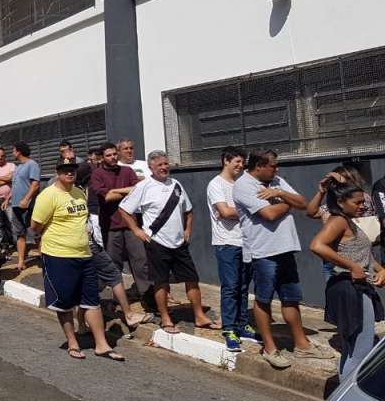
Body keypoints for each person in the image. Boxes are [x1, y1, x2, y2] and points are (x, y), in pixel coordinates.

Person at [234, 149, 334, 369]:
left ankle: (301, 344)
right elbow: (269, 214)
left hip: (286, 248)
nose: (276, 169)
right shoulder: (244, 186)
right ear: (259, 166)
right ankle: (269, 347)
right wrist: (288, 203)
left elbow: (303, 203)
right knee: (263, 299)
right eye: (272, 165)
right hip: (263, 252)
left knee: (291, 298)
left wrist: (280, 195)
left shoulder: (276, 181)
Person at [32, 157, 125, 361]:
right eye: (65, 170)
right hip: (58, 256)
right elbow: (36, 225)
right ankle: (72, 342)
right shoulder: (48, 196)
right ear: (57, 172)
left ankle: (102, 345)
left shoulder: (79, 193)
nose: (69, 173)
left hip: (84, 254)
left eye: (72, 169)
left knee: (91, 301)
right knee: (64, 303)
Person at [119, 151, 216, 334]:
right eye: (159, 165)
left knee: (192, 279)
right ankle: (165, 318)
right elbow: (124, 209)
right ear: (151, 168)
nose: (164, 168)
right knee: (161, 282)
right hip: (157, 242)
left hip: (179, 242)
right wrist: (136, 230)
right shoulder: (144, 186)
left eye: (165, 164)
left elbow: (188, 210)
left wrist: (188, 230)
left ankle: (199, 316)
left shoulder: (176, 185)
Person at [310, 181, 385, 378]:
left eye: (363, 202)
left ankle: (339, 399)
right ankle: (345, 400)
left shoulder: (348, 221)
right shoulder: (338, 221)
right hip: (350, 289)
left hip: (355, 287)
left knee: (352, 348)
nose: (363, 206)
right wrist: (352, 267)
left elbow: (362, 254)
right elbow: (317, 245)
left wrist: (380, 269)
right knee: (361, 351)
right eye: (358, 202)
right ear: (341, 202)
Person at [207, 146, 258, 351]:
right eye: (236, 161)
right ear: (225, 161)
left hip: (246, 241)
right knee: (230, 287)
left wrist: (240, 209)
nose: (241, 165)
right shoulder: (215, 185)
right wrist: (249, 209)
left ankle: (242, 324)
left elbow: (234, 210)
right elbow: (225, 212)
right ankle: (229, 329)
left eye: (242, 161)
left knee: (244, 286)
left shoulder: (242, 183)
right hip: (227, 242)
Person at [92, 142, 152, 306]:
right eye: (108, 155)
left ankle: (147, 299)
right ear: (102, 158)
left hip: (131, 224)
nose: (112, 158)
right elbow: (107, 197)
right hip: (111, 226)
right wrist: (128, 190)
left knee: (141, 262)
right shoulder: (97, 174)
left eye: (113, 154)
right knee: (114, 264)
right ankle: (118, 300)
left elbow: (138, 190)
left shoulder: (127, 170)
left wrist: (116, 191)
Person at [10, 141, 41, 272]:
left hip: (28, 206)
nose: (12, 152)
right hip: (16, 205)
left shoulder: (32, 164)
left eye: (13, 150)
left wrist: (26, 199)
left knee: (36, 233)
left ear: (19, 151)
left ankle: (44, 259)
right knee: (20, 234)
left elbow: (35, 185)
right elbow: (16, 185)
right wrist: (8, 199)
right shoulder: (18, 167)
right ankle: (21, 262)